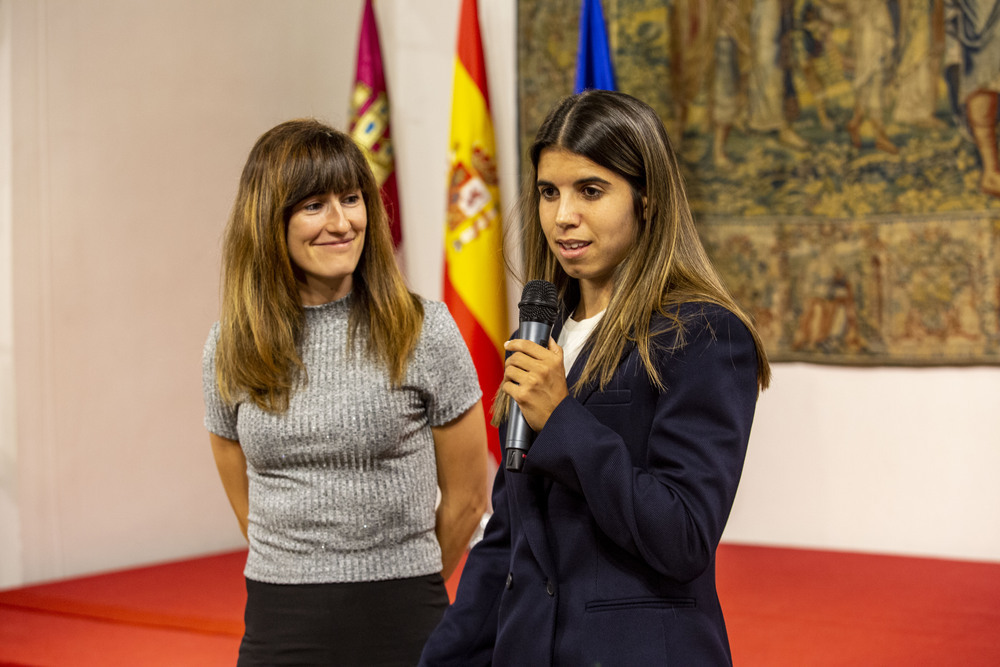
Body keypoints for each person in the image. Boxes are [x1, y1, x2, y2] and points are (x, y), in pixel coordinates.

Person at [419, 90, 771, 666]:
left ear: (646, 200)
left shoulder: (704, 333)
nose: (563, 216)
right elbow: (507, 545)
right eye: (549, 192)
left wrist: (561, 419)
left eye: (591, 190)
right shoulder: (544, 333)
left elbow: (682, 536)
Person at [202, 119, 488, 666]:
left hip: (404, 613)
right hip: (277, 617)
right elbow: (231, 459)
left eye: (351, 199)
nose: (341, 222)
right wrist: (293, 561)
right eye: (313, 205)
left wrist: (407, 572)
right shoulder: (229, 344)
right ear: (269, 221)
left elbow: (470, 497)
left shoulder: (424, 328)